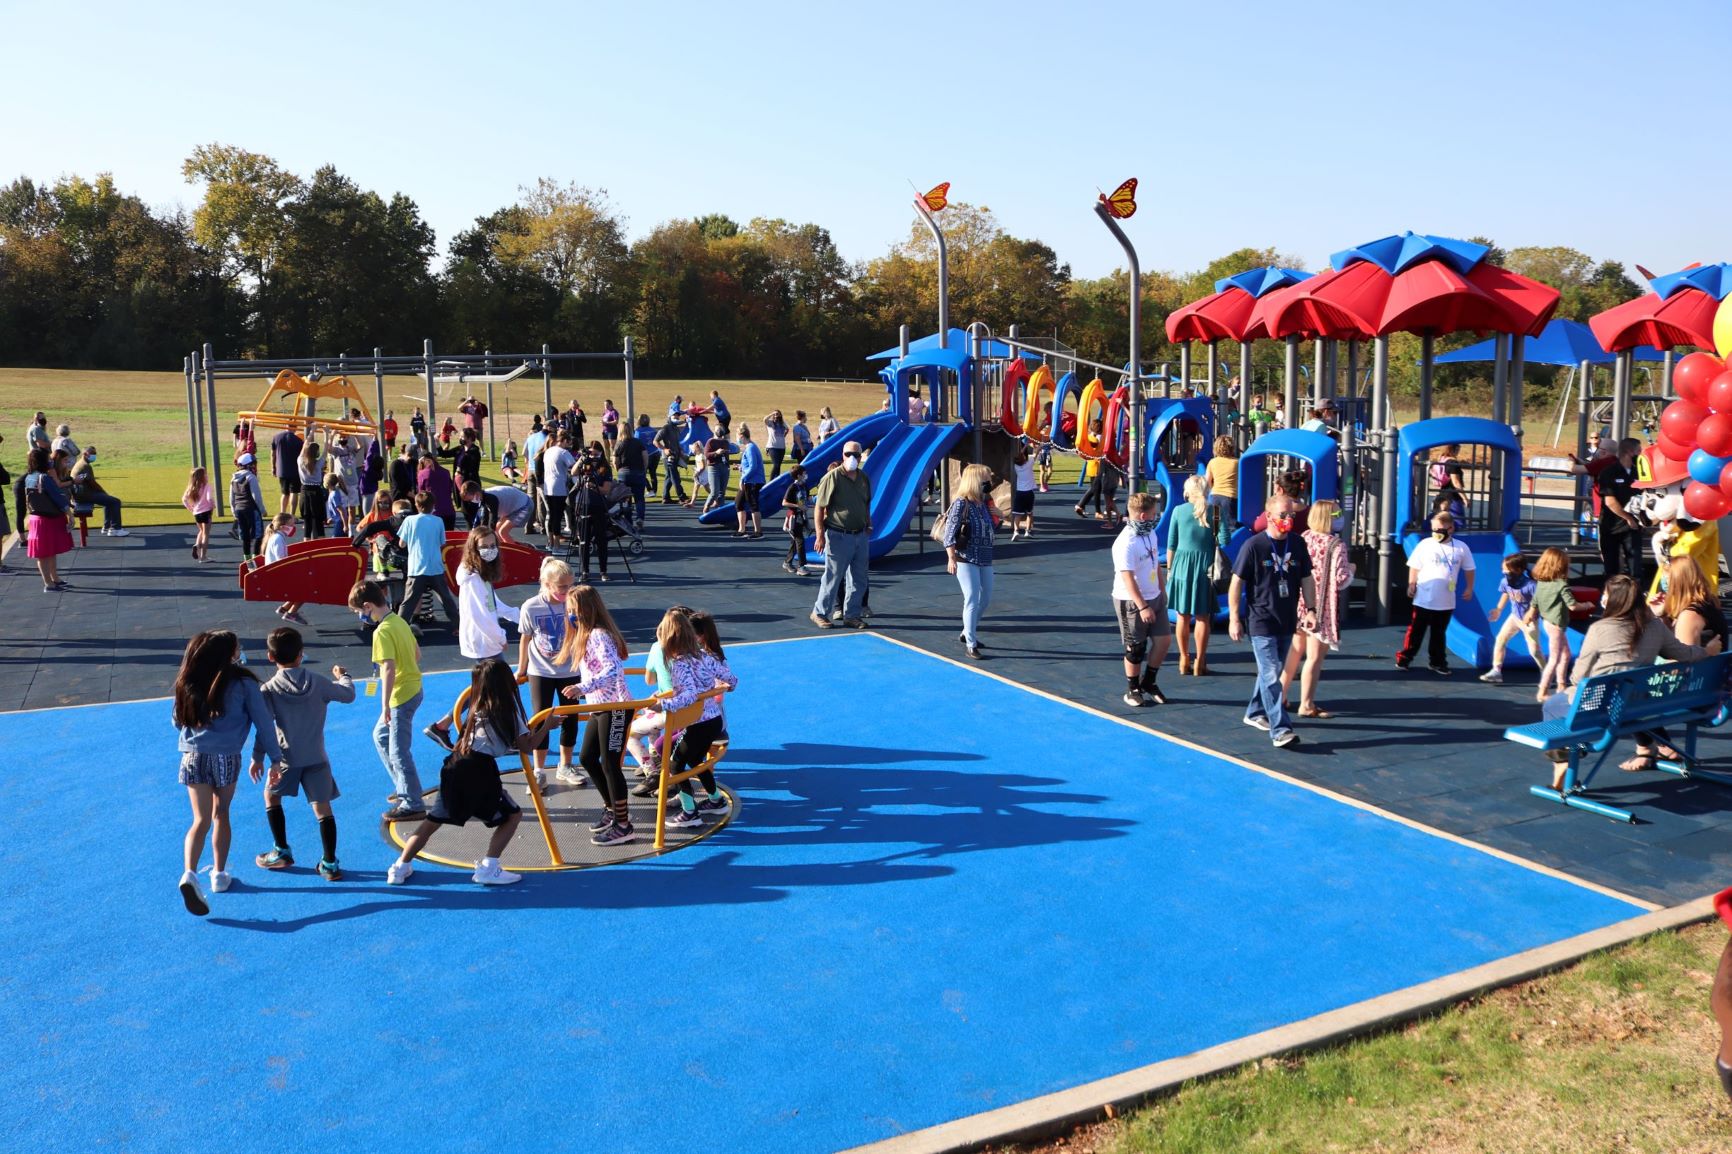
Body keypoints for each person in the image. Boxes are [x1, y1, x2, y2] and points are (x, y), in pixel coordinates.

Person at [1537, 575, 1718, 788]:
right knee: (1621, 691)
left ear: (1614, 600)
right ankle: (1649, 746)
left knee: (1551, 706)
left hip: (1600, 707)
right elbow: (1685, 653)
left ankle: (1562, 760)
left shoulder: (1600, 629)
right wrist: (1707, 650)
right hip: (1639, 705)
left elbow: (1578, 676)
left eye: (1605, 594)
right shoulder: (1655, 627)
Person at [387, 658, 540, 888]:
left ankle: (400, 867)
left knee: (433, 821)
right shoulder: (508, 711)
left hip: (456, 765)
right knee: (512, 815)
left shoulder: (475, 706)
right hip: (480, 769)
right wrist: (547, 726)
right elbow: (527, 747)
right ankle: (489, 867)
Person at [172, 630, 285, 916]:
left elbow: (177, 720)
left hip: (192, 757)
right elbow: (264, 722)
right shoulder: (244, 683)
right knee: (220, 814)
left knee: (199, 820)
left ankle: (189, 873)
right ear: (229, 654)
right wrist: (275, 759)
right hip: (226, 758)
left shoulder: (188, 680)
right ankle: (220, 875)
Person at [252, 627, 354, 881]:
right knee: (323, 809)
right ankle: (329, 863)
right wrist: (344, 676)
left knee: (271, 797)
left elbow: (265, 729)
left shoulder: (269, 689)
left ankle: (281, 851)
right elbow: (348, 695)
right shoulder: (318, 682)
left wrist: (257, 757)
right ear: (301, 654)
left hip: (286, 759)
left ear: (270, 656)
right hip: (317, 758)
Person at [423, 526, 520, 752]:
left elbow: (494, 605)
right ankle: (506, 734)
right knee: (498, 687)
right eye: (484, 547)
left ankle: (447, 725)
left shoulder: (480, 576)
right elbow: (482, 616)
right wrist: (501, 637)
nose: (489, 550)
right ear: (474, 549)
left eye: (492, 546)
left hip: (484, 640)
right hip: (483, 641)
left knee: (486, 689)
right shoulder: (473, 579)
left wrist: (521, 616)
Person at [553, 585, 636, 844]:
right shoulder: (584, 636)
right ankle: (612, 809)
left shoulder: (599, 635)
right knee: (588, 757)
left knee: (610, 763)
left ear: (588, 610)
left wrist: (582, 687)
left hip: (615, 708)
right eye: (568, 612)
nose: (571, 616)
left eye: (575, 611)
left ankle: (623, 825)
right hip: (599, 707)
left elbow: (613, 671)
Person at [1228, 495, 1311, 748]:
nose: (1288, 520)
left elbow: (1307, 578)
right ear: (1270, 517)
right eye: (1283, 515)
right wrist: (1234, 618)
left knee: (1271, 671)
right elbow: (1236, 583)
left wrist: (1312, 609)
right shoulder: (1254, 546)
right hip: (1261, 619)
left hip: (1286, 619)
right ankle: (1281, 729)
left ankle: (1254, 711)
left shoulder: (1297, 544)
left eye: (1291, 515)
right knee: (1271, 673)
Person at [650, 608, 738, 829]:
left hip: (698, 723)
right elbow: (731, 678)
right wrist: (727, 686)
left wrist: (663, 705)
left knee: (676, 764)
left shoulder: (679, 663)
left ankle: (690, 812)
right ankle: (716, 800)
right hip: (713, 720)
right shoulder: (704, 656)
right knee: (695, 761)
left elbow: (689, 695)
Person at [349, 580, 428, 822]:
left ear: (368, 605)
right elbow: (417, 654)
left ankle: (413, 802)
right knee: (381, 736)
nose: (362, 616)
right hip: (414, 688)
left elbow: (388, 669)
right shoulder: (400, 622)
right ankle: (404, 786)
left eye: (360, 612)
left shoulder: (382, 632)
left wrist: (385, 705)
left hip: (401, 696)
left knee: (398, 750)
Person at [517, 557, 586, 786]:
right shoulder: (531, 606)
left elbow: (583, 635)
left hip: (570, 670)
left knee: (570, 719)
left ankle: (565, 766)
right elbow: (525, 638)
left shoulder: (574, 603)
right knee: (541, 720)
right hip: (541, 671)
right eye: (562, 587)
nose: (567, 591)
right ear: (546, 584)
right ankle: (538, 771)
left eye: (570, 586)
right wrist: (522, 668)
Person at [1281, 500, 1353, 717]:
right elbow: (1341, 579)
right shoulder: (1335, 545)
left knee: (1294, 652)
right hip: (1322, 607)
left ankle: (1280, 696)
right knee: (1314, 657)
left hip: (1301, 602)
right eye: (1337, 513)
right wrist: (1352, 569)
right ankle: (1307, 704)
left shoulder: (1303, 538)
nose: (1340, 517)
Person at [1396, 511, 1474, 675]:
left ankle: (1437, 662)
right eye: (1434, 529)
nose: (1436, 533)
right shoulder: (1425, 544)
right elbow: (1415, 566)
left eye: (1440, 529)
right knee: (1416, 631)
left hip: (1445, 601)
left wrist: (1469, 587)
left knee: (1439, 634)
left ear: (1451, 528)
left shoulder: (1461, 547)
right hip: (1424, 598)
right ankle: (1405, 657)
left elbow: (1469, 569)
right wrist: (1412, 583)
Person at [1113, 491, 1171, 705]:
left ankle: (1149, 681)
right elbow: (1127, 577)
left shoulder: (1150, 534)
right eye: (1154, 513)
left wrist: (1162, 589)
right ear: (1143, 516)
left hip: (1154, 596)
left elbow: (1155, 562)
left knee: (1164, 641)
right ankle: (1132, 688)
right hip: (1132, 601)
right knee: (1136, 648)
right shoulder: (1125, 543)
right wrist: (1143, 606)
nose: (1156, 517)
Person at [810, 440, 871, 629]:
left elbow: (866, 503)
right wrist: (820, 535)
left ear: (861, 457)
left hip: (859, 535)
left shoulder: (863, 478)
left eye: (856, 455)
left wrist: (868, 524)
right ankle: (819, 612)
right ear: (842, 455)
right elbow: (819, 508)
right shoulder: (833, 477)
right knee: (833, 576)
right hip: (838, 534)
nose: (852, 458)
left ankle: (851, 615)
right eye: (848, 454)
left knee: (859, 578)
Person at [943, 463, 998, 660]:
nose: (989, 483)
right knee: (972, 598)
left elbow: (991, 528)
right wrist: (951, 558)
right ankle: (971, 643)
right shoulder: (961, 503)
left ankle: (967, 631)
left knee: (986, 598)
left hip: (985, 556)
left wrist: (996, 514)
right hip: (965, 557)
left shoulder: (983, 503)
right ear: (975, 481)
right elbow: (949, 533)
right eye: (985, 480)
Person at [1166, 476, 1218, 678]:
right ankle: (1201, 659)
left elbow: (1171, 544)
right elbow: (1224, 539)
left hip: (1181, 566)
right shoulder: (1215, 512)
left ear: (1188, 492)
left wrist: (1170, 569)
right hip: (1205, 567)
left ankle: (1183, 657)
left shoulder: (1179, 511)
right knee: (1203, 616)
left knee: (1182, 615)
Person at [397, 491, 459, 631]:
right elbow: (441, 542)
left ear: (416, 505)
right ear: (433, 505)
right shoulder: (438, 521)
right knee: (446, 600)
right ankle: (458, 626)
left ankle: (398, 629)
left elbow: (401, 543)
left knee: (408, 601)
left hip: (416, 568)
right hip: (435, 567)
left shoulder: (409, 521)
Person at [1529, 546, 1583, 702]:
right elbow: (1572, 605)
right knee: (1554, 658)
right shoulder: (1561, 585)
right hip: (1557, 626)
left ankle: (1561, 685)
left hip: (1548, 622)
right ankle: (1543, 690)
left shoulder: (1542, 582)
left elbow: (1535, 601)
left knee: (1565, 655)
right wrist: (1586, 605)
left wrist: (1531, 614)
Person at [1480, 553, 1541, 684]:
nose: (1504, 572)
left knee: (1534, 651)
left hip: (1529, 621)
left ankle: (1545, 670)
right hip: (1514, 617)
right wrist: (1498, 609)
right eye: (1503, 569)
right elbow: (1505, 594)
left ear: (1518, 570)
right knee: (1500, 639)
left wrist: (1530, 613)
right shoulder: (1505, 581)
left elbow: (1538, 603)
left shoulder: (1531, 585)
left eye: (1507, 570)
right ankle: (1496, 671)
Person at [21, 447, 72, 592]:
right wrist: (69, 514)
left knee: (47, 551)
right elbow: (58, 497)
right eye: (48, 458)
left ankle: (54, 579)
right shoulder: (44, 478)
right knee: (45, 553)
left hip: (37, 519)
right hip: (48, 519)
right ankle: (49, 583)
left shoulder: (29, 477)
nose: (50, 460)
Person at [1596, 437, 1643, 580]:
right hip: (1612, 526)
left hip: (1634, 527)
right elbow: (1610, 501)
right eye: (1639, 451)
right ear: (1630, 451)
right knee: (1612, 568)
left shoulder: (1639, 472)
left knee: (1635, 567)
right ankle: (1611, 597)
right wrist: (1628, 518)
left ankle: (1636, 595)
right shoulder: (1609, 472)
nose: (1640, 455)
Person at [59, 443, 125, 537]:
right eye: (92, 453)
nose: (94, 455)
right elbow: (93, 483)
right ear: (85, 454)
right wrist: (103, 492)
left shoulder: (80, 463)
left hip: (81, 494)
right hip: (84, 496)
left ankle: (107, 527)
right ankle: (115, 528)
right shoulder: (85, 466)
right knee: (115, 502)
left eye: (95, 453)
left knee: (108, 501)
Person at [571, 450, 612, 583]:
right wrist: (581, 459)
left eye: (596, 454)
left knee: (601, 540)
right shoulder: (584, 466)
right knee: (584, 540)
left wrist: (594, 486)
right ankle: (584, 571)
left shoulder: (605, 468)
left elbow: (606, 489)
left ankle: (603, 571)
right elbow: (573, 472)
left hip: (599, 506)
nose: (593, 457)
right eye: (591, 454)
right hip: (583, 505)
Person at [261, 513, 306, 623]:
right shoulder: (278, 539)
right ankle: (291, 613)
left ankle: (284, 608)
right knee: (307, 588)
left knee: (303, 584)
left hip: (275, 573)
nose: (293, 527)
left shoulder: (277, 537)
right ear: (282, 527)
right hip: (277, 576)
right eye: (291, 524)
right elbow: (281, 561)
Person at [1204, 435, 1240, 549]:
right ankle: (1228, 551)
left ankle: (1215, 549)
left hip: (1215, 496)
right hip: (1231, 497)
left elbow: (1207, 481)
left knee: (1214, 525)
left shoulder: (1213, 462)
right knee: (1230, 526)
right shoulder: (1237, 463)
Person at [227, 452, 264, 558]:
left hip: (239, 510)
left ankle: (247, 558)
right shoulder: (251, 477)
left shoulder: (233, 479)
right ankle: (256, 557)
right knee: (258, 534)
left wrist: (234, 511)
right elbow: (256, 496)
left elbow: (231, 498)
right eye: (253, 464)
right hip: (251, 509)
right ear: (248, 465)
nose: (254, 466)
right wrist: (262, 510)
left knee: (245, 535)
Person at [541, 433, 576, 544]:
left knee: (551, 515)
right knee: (557, 516)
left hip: (548, 486)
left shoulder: (548, 451)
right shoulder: (563, 452)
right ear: (565, 440)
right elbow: (574, 467)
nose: (569, 445)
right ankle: (556, 545)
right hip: (559, 487)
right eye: (568, 443)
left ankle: (551, 543)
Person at [613, 420, 648, 527]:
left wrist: (618, 470)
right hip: (637, 473)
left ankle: (628, 521)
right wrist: (644, 469)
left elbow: (615, 461)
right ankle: (640, 518)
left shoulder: (618, 445)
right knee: (639, 498)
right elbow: (645, 457)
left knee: (626, 499)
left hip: (624, 474)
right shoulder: (638, 442)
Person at [734, 424, 765, 539]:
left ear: (742, 436)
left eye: (737, 436)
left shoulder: (751, 448)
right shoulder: (748, 448)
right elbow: (749, 466)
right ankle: (741, 530)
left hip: (753, 481)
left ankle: (758, 532)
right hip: (748, 480)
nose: (737, 439)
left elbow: (753, 467)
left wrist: (743, 478)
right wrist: (741, 467)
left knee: (753, 505)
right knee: (739, 503)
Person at [416, 451, 458, 531]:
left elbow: (421, 494)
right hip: (448, 510)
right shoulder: (446, 472)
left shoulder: (422, 474)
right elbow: (450, 489)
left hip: (433, 512)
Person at [781, 465, 811, 575]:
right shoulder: (792, 487)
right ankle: (801, 566)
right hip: (793, 518)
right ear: (798, 475)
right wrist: (798, 506)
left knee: (795, 541)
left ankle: (787, 562)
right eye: (804, 474)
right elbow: (784, 502)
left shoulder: (804, 486)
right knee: (800, 540)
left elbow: (807, 499)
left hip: (801, 517)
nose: (806, 475)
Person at [1428, 444, 1467, 523]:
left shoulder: (1442, 460)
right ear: (1454, 449)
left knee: (1441, 520)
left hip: (1442, 495)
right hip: (1453, 496)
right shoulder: (1453, 463)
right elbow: (1456, 482)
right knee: (1458, 522)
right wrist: (1465, 498)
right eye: (1458, 450)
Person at [270, 424, 304, 517]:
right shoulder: (298, 440)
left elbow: (273, 454)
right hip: (295, 470)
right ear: (295, 427)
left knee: (284, 493)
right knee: (294, 492)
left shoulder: (276, 437)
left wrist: (273, 467)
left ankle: (282, 513)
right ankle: (292, 514)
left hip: (282, 469)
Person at [182, 467, 214, 562]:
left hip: (197, 513)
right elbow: (209, 499)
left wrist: (191, 508)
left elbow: (184, 499)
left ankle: (197, 545)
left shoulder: (191, 487)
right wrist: (213, 505)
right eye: (205, 474)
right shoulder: (207, 486)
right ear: (202, 476)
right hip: (206, 512)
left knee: (201, 530)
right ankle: (203, 557)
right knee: (206, 534)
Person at [655, 413, 688, 504]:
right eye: (675, 416)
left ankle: (665, 497)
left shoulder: (676, 428)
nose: (677, 418)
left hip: (676, 455)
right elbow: (655, 441)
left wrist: (680, 450)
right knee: (675, 477)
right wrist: (664, 449)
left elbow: (676, 442)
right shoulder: (665, 428)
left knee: (669, 477)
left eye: (678, 416)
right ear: (669, 417)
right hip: (668, 457)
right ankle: (682, 497)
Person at [296, 438, 325, 537]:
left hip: (305, 492)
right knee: (319, 522)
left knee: (307, 522)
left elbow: (304, 446)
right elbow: (326, 449)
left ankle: (307, 543)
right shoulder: (319, 463)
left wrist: (311, 431)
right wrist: (328, 433)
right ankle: (321, 547)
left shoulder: (300, 461)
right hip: (316, 492)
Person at [702, 427, 732, 516]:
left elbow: (727, 456)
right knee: (715, 491)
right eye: (718, 429)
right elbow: (706, 454)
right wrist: (716, 453)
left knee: (722, 492)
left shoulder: (726, 442)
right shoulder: (710, 441)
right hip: (713, 467)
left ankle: (720, 511)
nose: (719, 431)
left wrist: (727, 465)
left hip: (724, 467)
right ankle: (707, 506)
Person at [1008, 444, 1036, 540]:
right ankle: (1027, 531)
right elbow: (1037, 452)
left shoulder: (1016, 466)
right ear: (1024, 458)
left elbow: (1019, 455)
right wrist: (1039, 444)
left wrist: (1025, 446)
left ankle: (1016, 531)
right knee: (1029, 513)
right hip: (1029, 493)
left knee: (1017, 514)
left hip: (1020, 493)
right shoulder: (1029, 464)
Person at [633, 413, 661, 491]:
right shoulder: (653, 430)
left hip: (646, 455)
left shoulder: (638, 431)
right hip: (656, 453)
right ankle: (654, 490)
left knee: (641, 474)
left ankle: (649, 489)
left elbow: (637, 444)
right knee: (653, 473)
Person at [764, 410, 789, 478]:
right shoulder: (770, 423)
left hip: (782, 447)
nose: (776, 416)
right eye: (775, 414)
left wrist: (784, 436)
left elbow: (787, 428)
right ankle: (771, 482)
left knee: (778, 466)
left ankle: (776, 482)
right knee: (776, 464)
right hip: (772, 447)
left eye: (777, 414)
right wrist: (772, 413)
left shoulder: (782, 423)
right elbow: (765, 419)